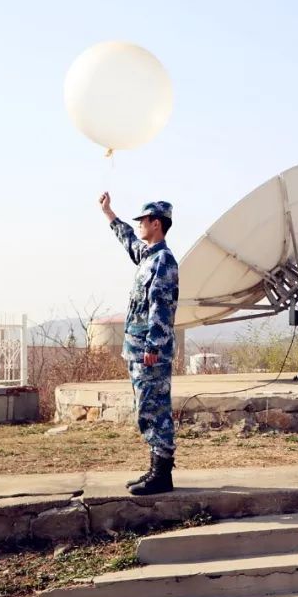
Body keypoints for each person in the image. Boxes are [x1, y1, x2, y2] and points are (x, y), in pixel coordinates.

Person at [99, 193, 180, 496]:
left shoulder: (163, 262)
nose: (140, 225)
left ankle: (162, 475)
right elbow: (128, 240)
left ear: (156, 223)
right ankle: (155, 469)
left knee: (154, 409)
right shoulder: (147, 256)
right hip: (136, 349)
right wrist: (109, 214)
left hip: (150, 353)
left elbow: (162, 307)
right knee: (145, 409)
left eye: (144, 221)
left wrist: (153, 347)